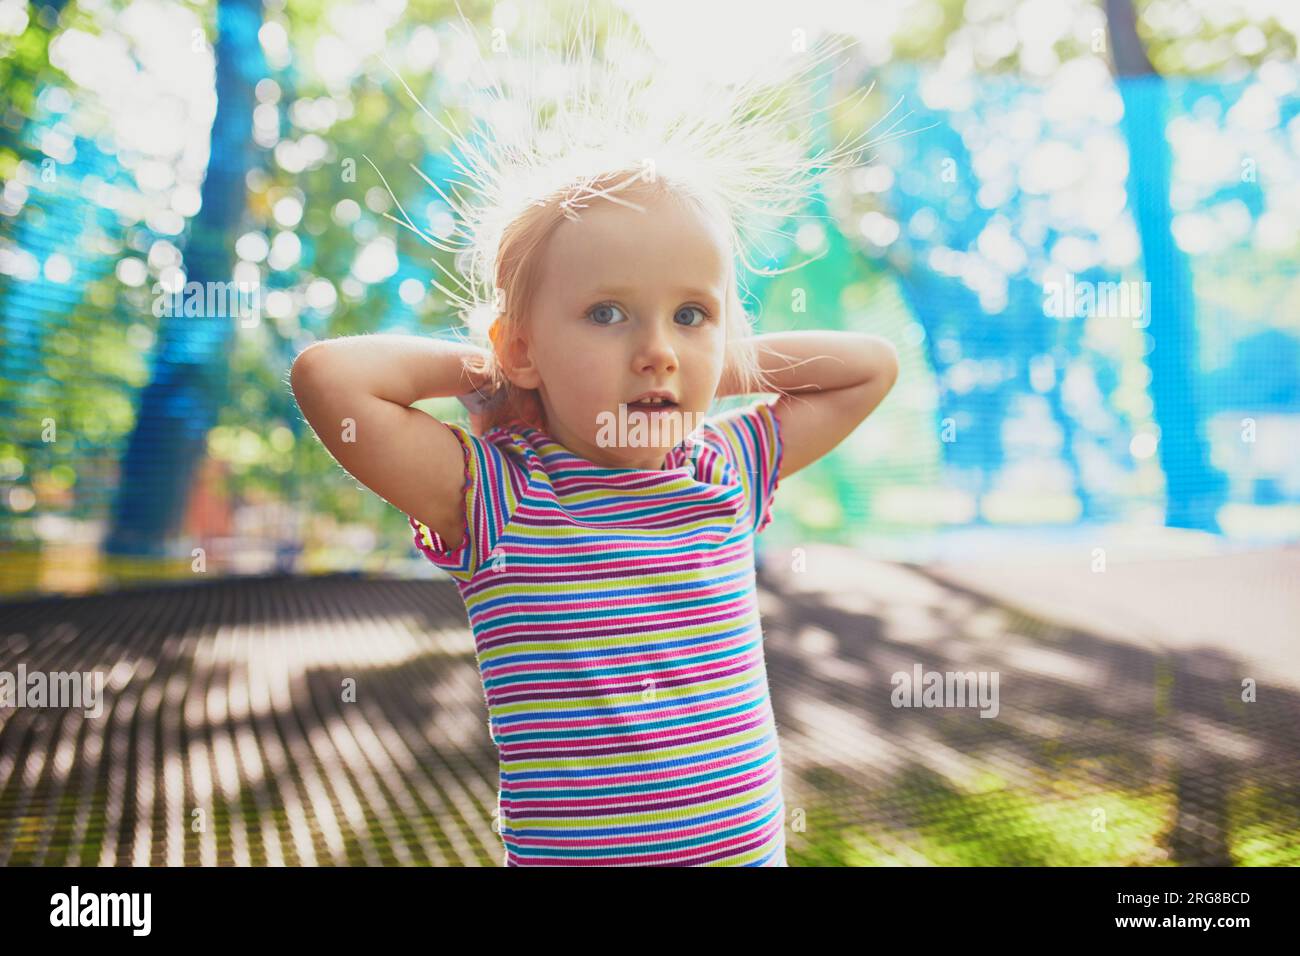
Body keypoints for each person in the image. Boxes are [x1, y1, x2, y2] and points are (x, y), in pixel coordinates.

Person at [290, 24, 899, 866]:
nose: (656, 348)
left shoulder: (724, 470)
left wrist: (704, 368)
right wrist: (501, 376)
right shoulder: (498, 498)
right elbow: (330, 378)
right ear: (525, 345)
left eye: (691, 313)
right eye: (608, 314)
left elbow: (870, 368)